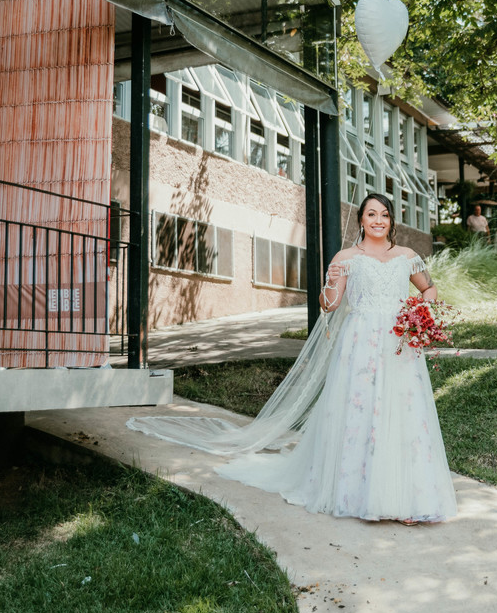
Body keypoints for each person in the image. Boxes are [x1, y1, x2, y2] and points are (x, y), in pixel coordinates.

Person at [128, 193, 457, 524]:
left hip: (399, 343)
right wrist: (329, 283)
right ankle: (360, 494)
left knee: (402, 412)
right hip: (360, 344)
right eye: (371, 214)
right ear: (360, 220)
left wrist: (418, 312)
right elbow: (330, 304)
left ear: (391, 221)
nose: (378, 221)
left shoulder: (407, 256)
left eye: (384, 215)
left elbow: (429, 289)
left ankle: (408, 498)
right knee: (360, 411)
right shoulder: (346, 257)